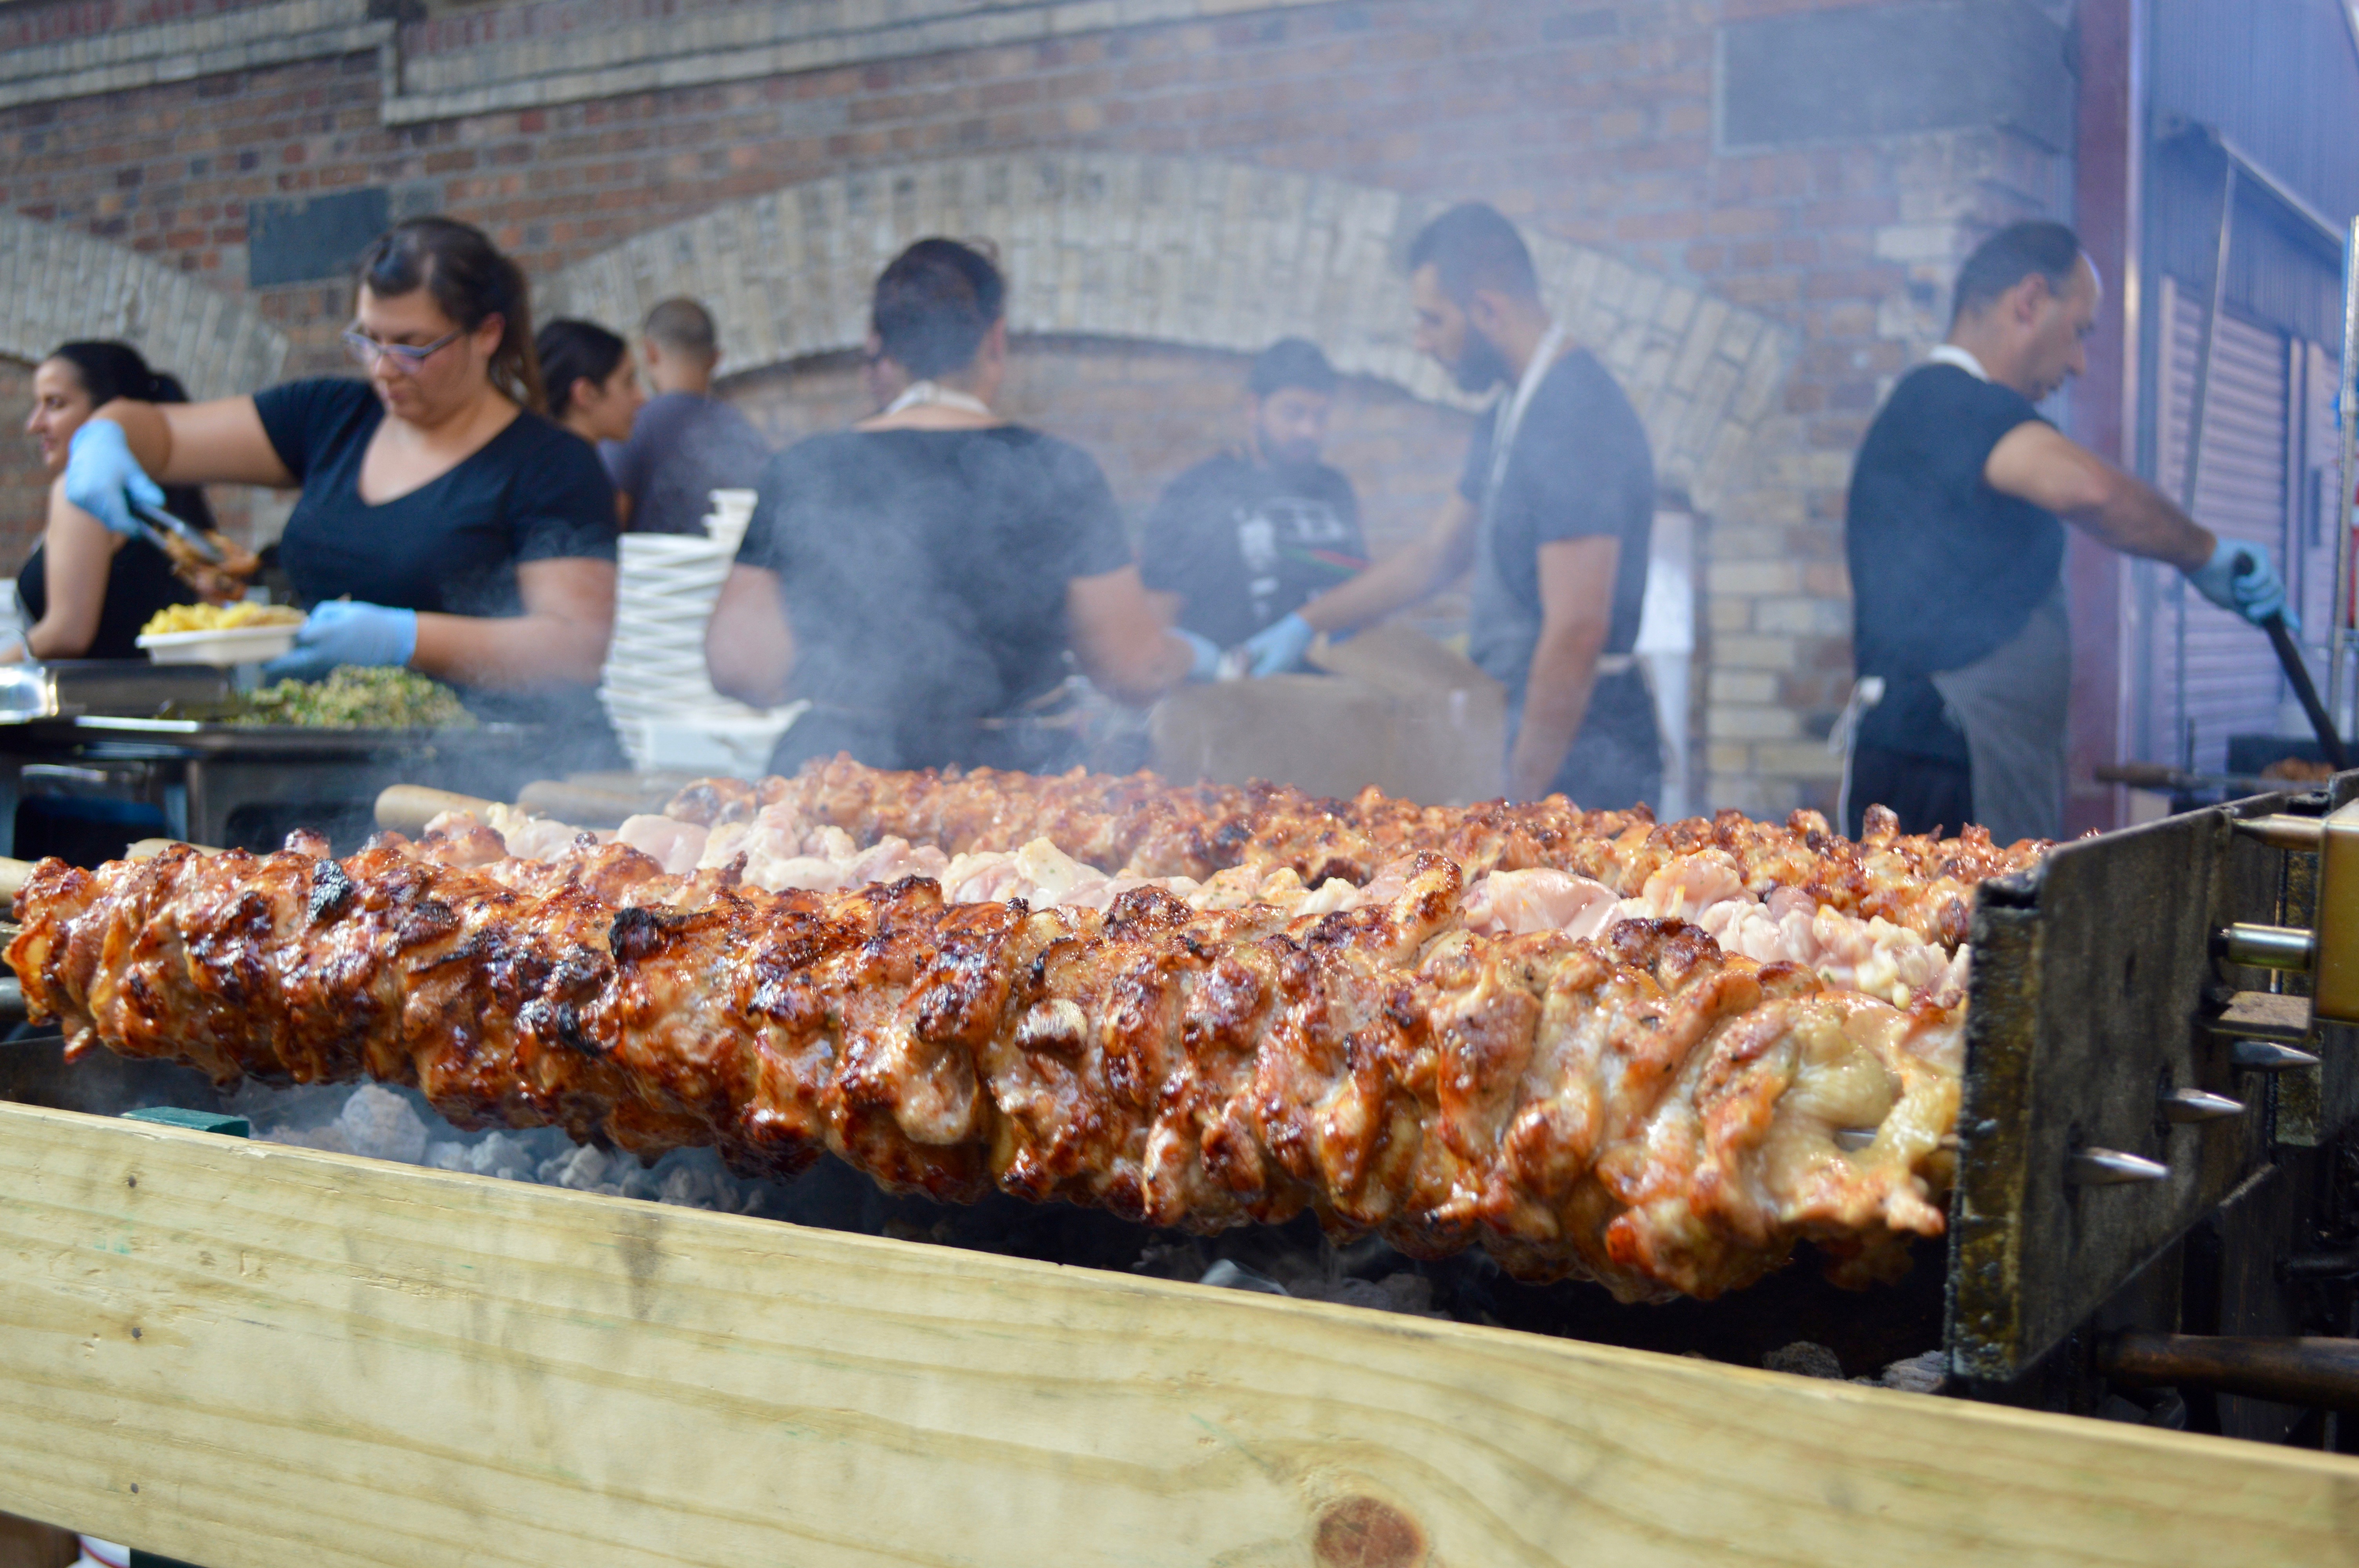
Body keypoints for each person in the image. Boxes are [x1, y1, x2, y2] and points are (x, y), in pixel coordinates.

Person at [60, 216, 622, 760]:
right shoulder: (330, 416)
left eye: (411, 345)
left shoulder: (552, 465)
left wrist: (403, 638)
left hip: (508, 768)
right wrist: (105, 436)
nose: (383, 368)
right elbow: (162, 436)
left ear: (487, 335)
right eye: (368, 339)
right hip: (342, 760)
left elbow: (574, 650)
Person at [1841, 220, 2287, 844]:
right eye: (2079, 332)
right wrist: (2203, 554)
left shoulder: (1943, 409)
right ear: (2028, 302)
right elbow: (2089, 489)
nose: (2078, 362)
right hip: (1940, 764)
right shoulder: (1947, 401)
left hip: (1949, 761)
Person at [705, 237, 1200, 772]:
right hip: (1012, 790)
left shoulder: (803, 468)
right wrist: (1194, 654)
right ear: (996, 340)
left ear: (881, 345)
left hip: (842, 780)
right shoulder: (1061, 470)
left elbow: (742, 669)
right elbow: (1131, 670)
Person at [1245, 202, 1659, 807]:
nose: (1421, 341)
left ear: (1488, 310)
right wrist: (1309, 623)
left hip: (1587, 753)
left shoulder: (1574, 413)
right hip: (1529, 726)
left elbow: (1577, 629)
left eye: (1431, 321)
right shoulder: (1509, 412)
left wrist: (1521, 798)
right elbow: (1436, 555)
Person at [1138, 338, 1366, 664]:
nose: (1309, 431)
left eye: (1321, 417)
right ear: (1253, 409)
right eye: (1293, 413)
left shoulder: (1335, 488)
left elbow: (1360, 589)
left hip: (1330, 694)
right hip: (1231, 698)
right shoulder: (1197, 489)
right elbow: (1159, 613)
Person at [7, 341, 210, 661]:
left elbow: (67, 633)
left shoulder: (84, 493)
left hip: (96, 704)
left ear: (110, 412)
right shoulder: (167, 496)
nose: (35, 424)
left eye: (55, 404)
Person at [601, 297, 770, 535]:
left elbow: (607, 529)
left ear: (650, 352)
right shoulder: (743, 431)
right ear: (716, 359)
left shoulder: (630, 427)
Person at [538, 318, 646, 477]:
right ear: (585, 394)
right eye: (627, 383)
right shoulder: (577, 480)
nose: (641, 398)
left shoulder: (552, 471)